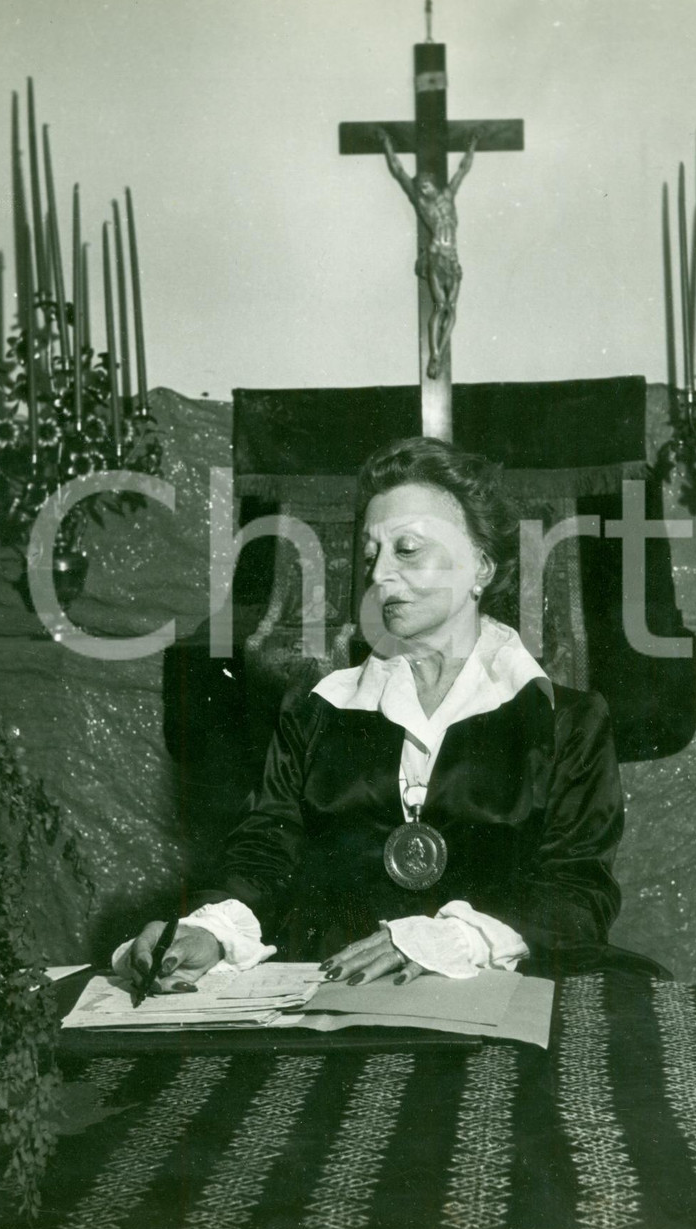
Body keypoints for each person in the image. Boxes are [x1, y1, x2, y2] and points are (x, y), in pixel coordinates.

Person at [117, 437, 629, 995]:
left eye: (407, 550)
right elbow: (264, 857)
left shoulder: (567, 721)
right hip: (335, 997)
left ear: (481, 566)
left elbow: (579, 894)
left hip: (495, 1001)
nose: (380, 574)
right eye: (370, 556)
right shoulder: (317, 709)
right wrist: (210, 930)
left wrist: (451, 940)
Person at [377, 129, 477, 379]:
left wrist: (473, 143)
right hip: (436, 257)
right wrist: (387, 143)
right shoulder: (421, 203)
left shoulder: (449, 195)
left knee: (451, 308)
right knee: (440, 305)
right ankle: (435, 354)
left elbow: (463, 169)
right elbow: (398, 171)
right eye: (419, 187)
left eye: (424, 184)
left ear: (433, 182)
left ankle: (439, 351)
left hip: (453, 259)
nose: (421, 189)